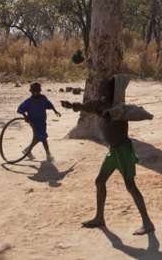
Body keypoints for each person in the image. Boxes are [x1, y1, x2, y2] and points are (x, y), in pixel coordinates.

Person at [63, 75, 155, 235]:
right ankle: (99, 218)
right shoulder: (99, 105)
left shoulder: (119, 109)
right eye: (102, 91)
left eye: (105, 91)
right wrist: (72, 105)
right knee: (100, 181)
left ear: (112, 93)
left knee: (130, 186)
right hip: (113, 151)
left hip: (123, 150)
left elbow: (138, 112)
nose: (102, 94)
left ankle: (147, 223)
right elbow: (84, 107)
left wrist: (111, 114)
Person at [17, 82, 61, 161]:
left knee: (38, 137)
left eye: (37, 91)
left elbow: (49, 104)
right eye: (34, 92)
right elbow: (20, 109)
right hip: (34, 122)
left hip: (42, 121)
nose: (36, 93)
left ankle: (27, 150)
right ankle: (48, 154)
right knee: (43, 137)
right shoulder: (29, 101)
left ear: (40, 91)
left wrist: (55, 111)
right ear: (31, 92)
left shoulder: (43, 98)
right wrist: (25, 116)